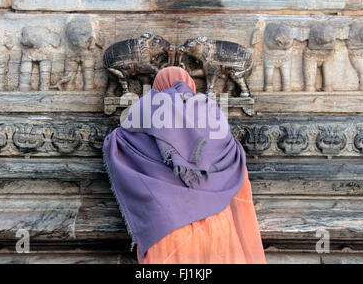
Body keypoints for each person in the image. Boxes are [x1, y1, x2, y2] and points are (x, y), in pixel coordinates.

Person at [103, 66, 266, 264]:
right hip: (217, 225)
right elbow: (234, 159)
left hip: (167, 229)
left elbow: (118, 143)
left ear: (157, 87)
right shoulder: (210, 112)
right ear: (190, 85)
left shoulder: (144, 112)